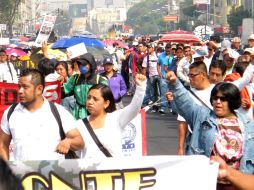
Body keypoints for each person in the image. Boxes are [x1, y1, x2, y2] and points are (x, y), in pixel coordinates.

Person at [166, 71, 254, 189]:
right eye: (215, 98)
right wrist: (175, 83)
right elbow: (186, 102)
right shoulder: (202, 116)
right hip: (206, 182)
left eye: (223, 99)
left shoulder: (248, 125)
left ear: (232, 101)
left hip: (236, 184)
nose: (218, 102)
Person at [0, 69, 84, 161]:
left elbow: (80, 141)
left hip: (52, 174)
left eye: (25, 87)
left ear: (39, 89)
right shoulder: (10, 112)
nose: (20, 91)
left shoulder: (58, 112)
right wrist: (6, 169)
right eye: (19, 86)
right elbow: (3, 144)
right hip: (21, 174)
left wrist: (68, 142)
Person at [77, 73, 146, 159]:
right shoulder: (79, 124)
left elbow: (134, 108)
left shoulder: (115, 119)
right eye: (88, 98)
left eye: (95, 99)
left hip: (112, 171)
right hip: (88, 171)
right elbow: (77, 154)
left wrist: (141, 88)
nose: (90, 102)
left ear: (106, 103)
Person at [62, 53, 108, 120]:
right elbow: (64, 91)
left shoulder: (100, 80)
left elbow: (106, 97)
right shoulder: (75, 78)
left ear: (91, 64)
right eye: (80, 64)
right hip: (78, 114)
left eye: (84, 64)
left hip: (94, 113)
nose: (81, 67)